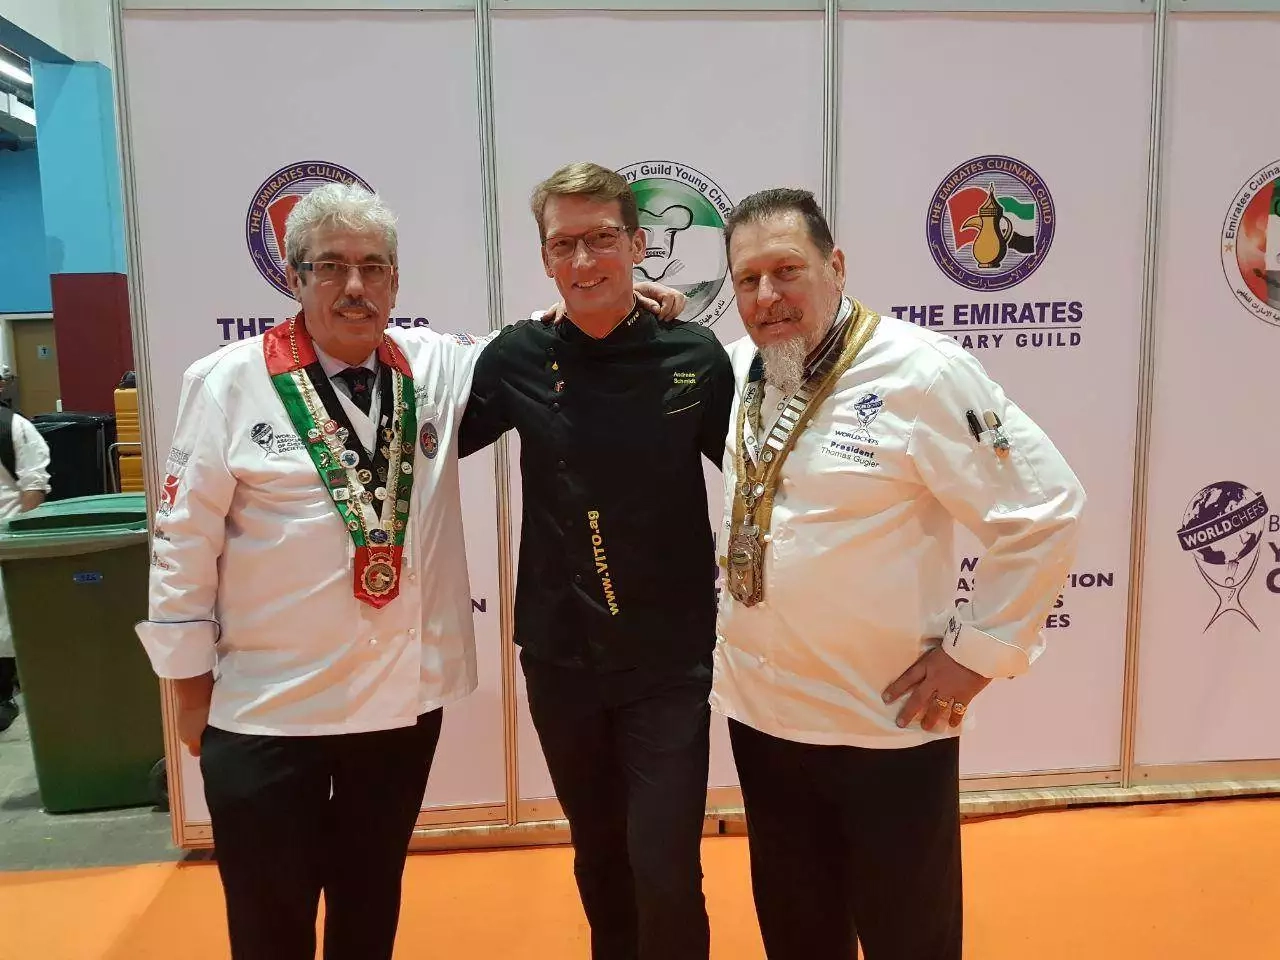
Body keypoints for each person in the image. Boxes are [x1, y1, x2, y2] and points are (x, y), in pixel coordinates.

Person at [135, 181, 682, 960]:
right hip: (266, 710)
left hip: (393, 711)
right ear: (294, 278)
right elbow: (181, 543)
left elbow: (539, 338)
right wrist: (189, 694)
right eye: (331, 266)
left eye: (373, 267)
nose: (354, 286)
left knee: (369, 911)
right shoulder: (226, 381)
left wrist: (619, 300)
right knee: (269, 923)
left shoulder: (433, 366)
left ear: (395, 281)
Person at [710, 188, 1086, 960]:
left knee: (908, 937)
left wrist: (977, 654)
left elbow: (1045, 509)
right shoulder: (739, 365)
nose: (767, 296)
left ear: (836, 267)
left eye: (787, 270)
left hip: (885, 724)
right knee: (797, 935)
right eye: (748, 279)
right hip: (764, 718)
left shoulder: (924, 373)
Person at [459, 161, 735, 960]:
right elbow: (423, 433)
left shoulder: (695, 356)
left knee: (665, 864)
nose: (584, 261)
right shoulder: (516, 357)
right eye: (564, 245)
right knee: (600, 855)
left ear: (639, 245)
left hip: (670, 658)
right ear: (545, 257)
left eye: (602, 239)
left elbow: (763, 478)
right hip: (561, 655)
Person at [0, 406, 51, 732]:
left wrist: (22, 539)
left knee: (6, 623)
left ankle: (4, 693)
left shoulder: (13, 428)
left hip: (5, 540)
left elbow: (34, 485)